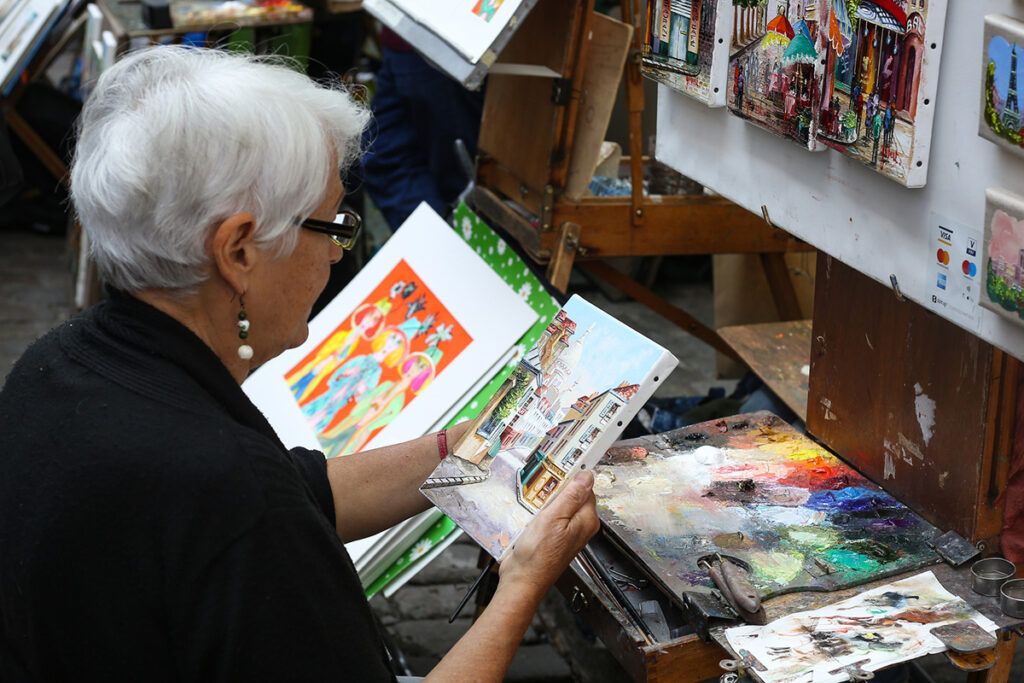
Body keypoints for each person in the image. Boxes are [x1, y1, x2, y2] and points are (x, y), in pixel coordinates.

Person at [0, 47, 600, 682]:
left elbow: (307, 491)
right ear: (238, 250)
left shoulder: (58, 366)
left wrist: (477, 446)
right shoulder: (229, 494)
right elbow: (258, 506)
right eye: (335, 226)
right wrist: (523, 583)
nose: (339, 254)